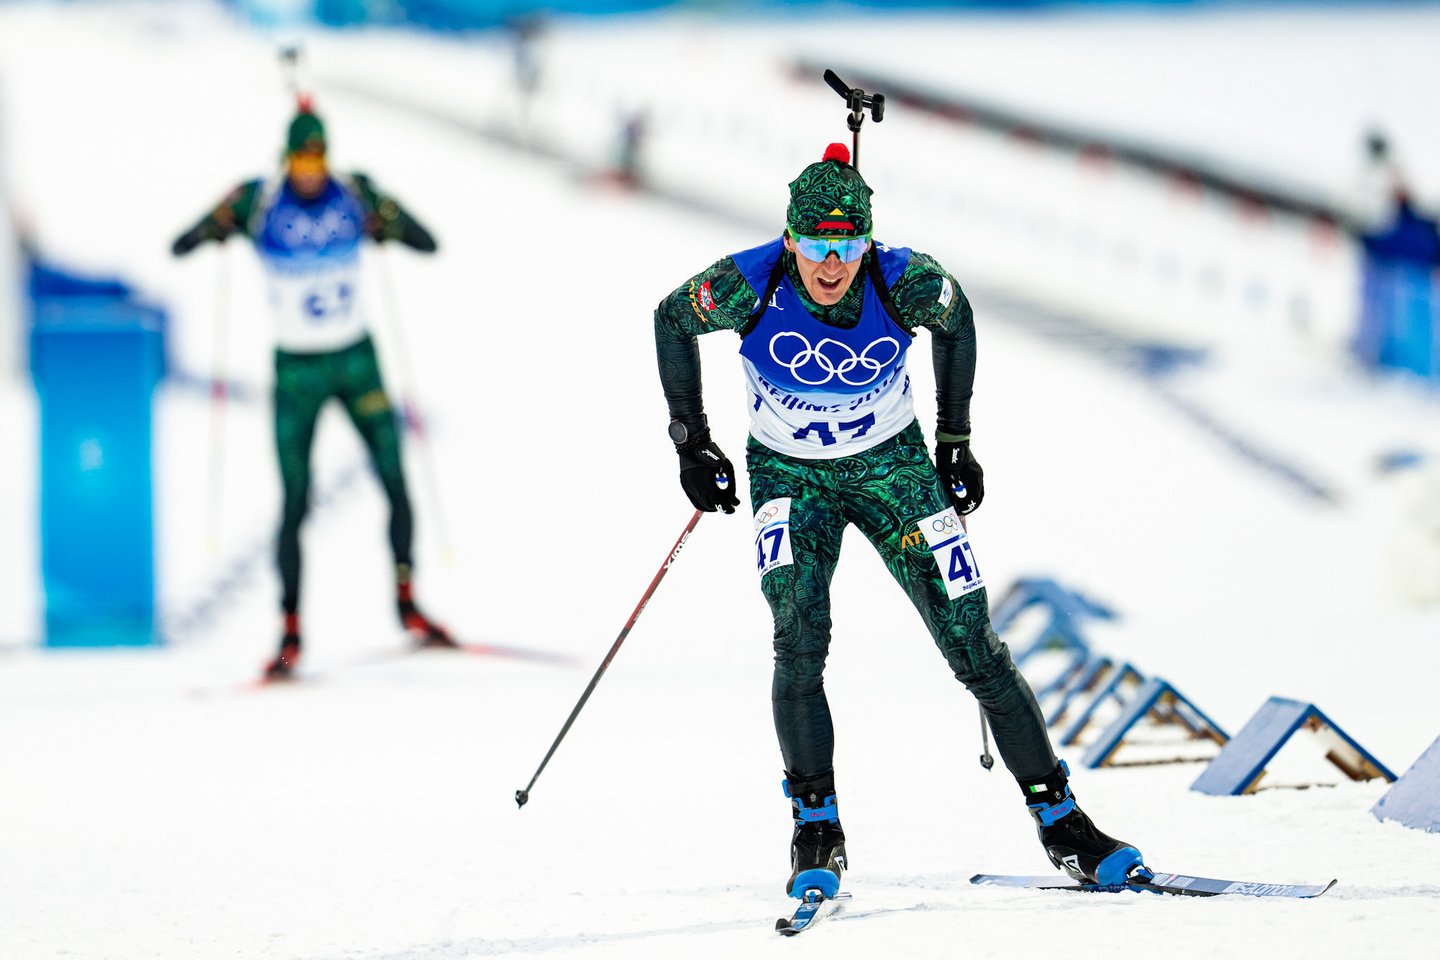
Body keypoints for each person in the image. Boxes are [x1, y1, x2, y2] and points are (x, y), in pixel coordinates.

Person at [652, 143, 1148, 899]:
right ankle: (816, 829)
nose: (831, 264)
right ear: (789, 239)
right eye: (816, 245)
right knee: (798, 636)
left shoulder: (903, 277)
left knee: (974, 644)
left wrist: (955, 440)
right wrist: (692, 441)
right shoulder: (748, 281)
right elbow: (670, 318)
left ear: (867, 242)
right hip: (791, 477)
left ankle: (1064, 824)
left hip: (896, 471)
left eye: (847, 245)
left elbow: (957, 318)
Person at [172, 98, 454, 679]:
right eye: (300, 159)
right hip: (296, 369)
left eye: (317, 159)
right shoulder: (258, 201)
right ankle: (290, 633)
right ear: (286, 158)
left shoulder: (355, 193)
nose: (309, 170)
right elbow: (183, 243)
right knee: (295, 500)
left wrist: (388, 220)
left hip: (355, 360)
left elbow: (427, 242)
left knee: (395, 480)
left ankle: (409, 605)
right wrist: (215, 225)